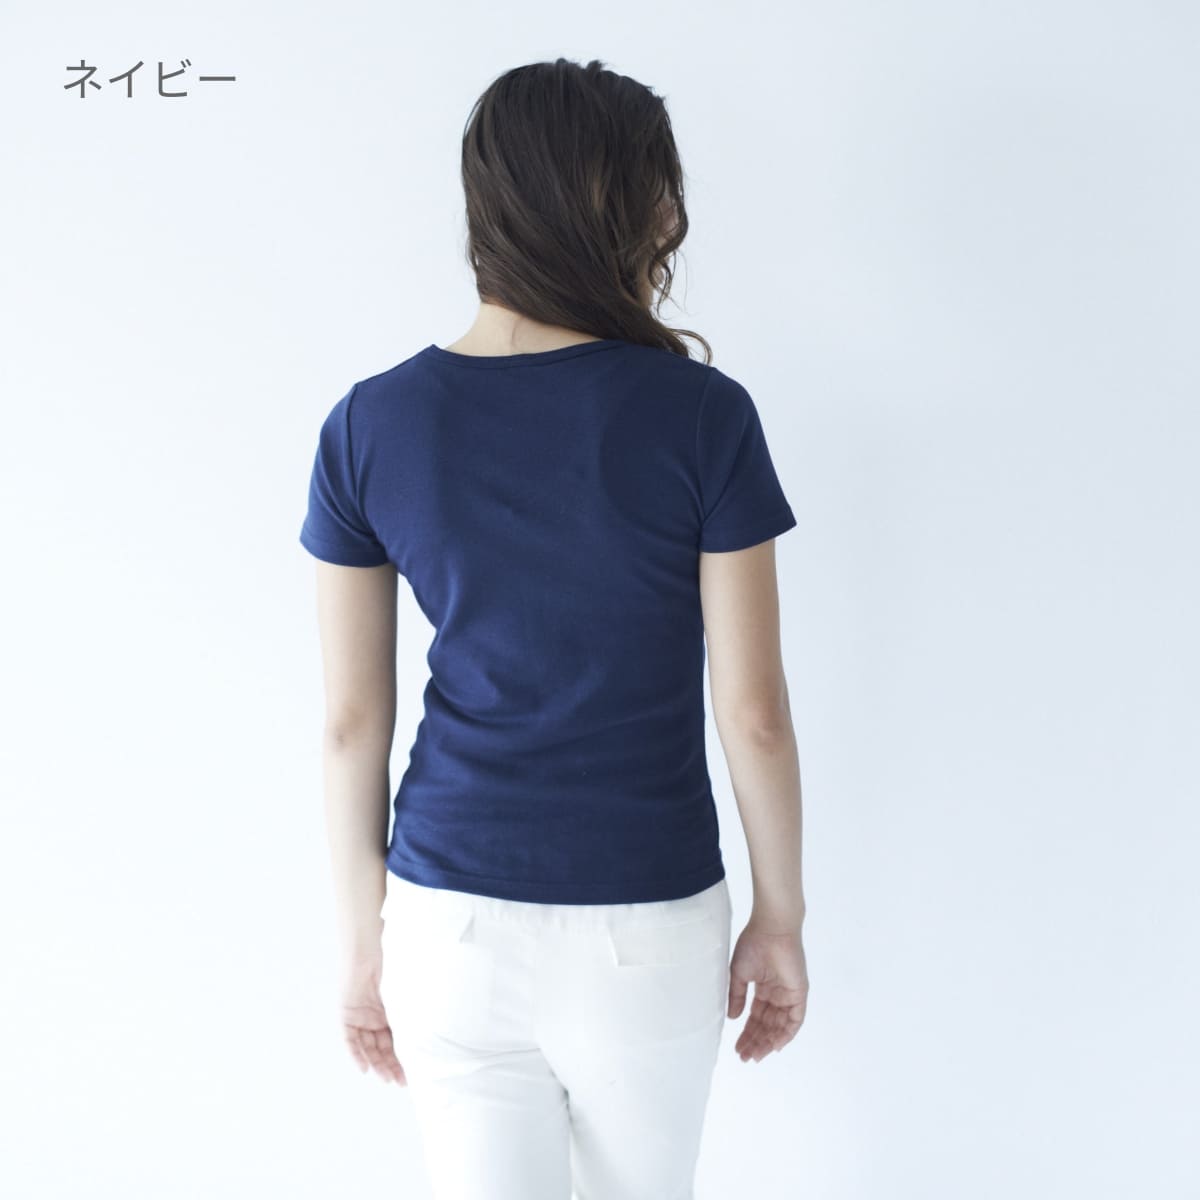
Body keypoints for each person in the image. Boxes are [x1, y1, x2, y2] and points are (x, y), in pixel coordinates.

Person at [299, 56, 809, 1200]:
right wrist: (780, 916)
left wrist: (365, 943)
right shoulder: (703, 417)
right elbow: (755, 715)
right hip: (647, 924)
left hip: (448, 925)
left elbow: (348, 725)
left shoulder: (370, 424)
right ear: (631, 207)